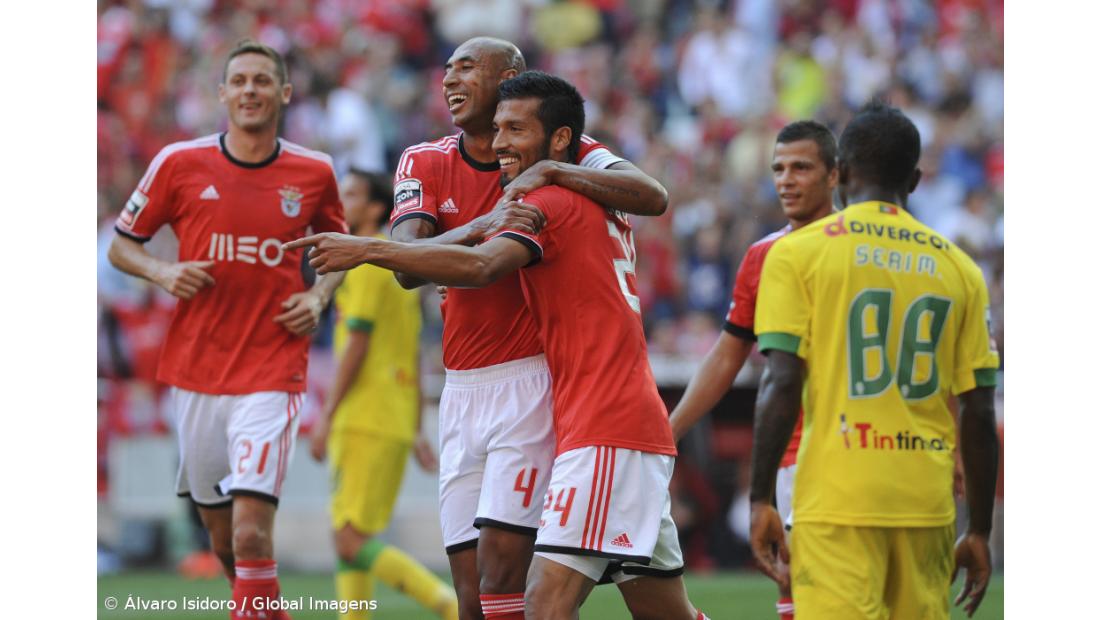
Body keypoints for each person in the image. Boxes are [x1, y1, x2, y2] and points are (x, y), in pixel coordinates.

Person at [286, 70, 708, 620]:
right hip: (599, 417)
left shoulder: (548, 199)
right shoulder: (581, 189)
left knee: (541, 601)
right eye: (499, 128)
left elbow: (484, 266)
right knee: (663, 612)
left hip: (604, 424)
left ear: (560, 139)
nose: (501, 142)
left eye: (514, 130)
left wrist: (368, 249)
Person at [385, 37, 669, 620]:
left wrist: (552, 170)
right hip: (461, 387)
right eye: (447, 69)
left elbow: (651, 195)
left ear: (509, 76)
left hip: (534, 381)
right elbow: (407, 263)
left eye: (468, 67)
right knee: (472, 595)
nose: (450, 79)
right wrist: (479, 225)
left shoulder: (565, 153)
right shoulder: (425, 159)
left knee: (512, 578)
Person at [108, 40, 347, 619]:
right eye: (239, 80)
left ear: (284, 93)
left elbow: (338, 250)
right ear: (222, 94)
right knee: (224, 544)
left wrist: (318, 296)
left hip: (272, 369)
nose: (249, 90)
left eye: (262, 80)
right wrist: (163, 271)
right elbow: (121, 246)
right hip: (197, 373)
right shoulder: (178, 162)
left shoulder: (314, 171)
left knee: (250, 534)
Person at [748, 101, 1000, 619]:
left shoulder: (797, 254)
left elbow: (781, 382)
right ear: (915, 180)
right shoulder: (960, 270)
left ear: (840, 173)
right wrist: (978, 528)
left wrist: (760, 498)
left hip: (836, 499)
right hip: (926, 503)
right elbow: (978, 409)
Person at [668, 120, 838, 620]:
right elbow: (727, 355)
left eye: (801, 167)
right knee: (797, 599)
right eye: (779, 169)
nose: (786, 179)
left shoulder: (861, 248)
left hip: (859, 447)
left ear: (834, 175)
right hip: (793, 456)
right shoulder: (763, 255)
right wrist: (668, 432)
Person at [309, 169, 458, 620]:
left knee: (349, 539)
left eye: (351, 194)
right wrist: (414, 428)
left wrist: (327, 415)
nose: (342, 201)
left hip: (365, 414)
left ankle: (451, 607)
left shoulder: (363, 261)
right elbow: (409, 348)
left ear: (376, 208)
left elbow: (357, 344)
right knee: (349, 536)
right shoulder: (395, 263)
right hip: (389, 414)